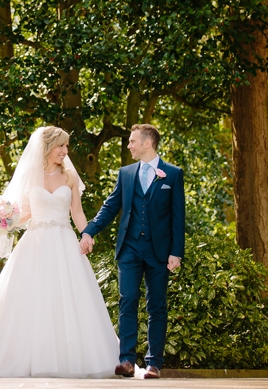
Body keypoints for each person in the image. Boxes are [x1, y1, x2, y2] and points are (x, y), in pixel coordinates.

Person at [0, 126, 119, 378]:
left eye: (66, 147)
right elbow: (25, 213)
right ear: (48, 146)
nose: (65, 151)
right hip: (35, 243)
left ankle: (73, 359)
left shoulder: (70, 177)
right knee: (28, 298)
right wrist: (3, 219)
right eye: (61, 146)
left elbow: (77, 212)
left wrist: (86, 233)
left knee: (69, 299)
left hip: (64, 241)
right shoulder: (31, 174)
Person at [80, 124, 185, 379]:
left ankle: (153, 364)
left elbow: (178, 216)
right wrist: (89, 231)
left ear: (147, 143)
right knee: (127, 300)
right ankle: (126, 360)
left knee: (156, 305)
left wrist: (176, 252)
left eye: (132, 141)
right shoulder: (126, 173)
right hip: (129, 248)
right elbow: (111, 206)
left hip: (159, 251)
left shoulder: (172, 174)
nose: (129, 145)